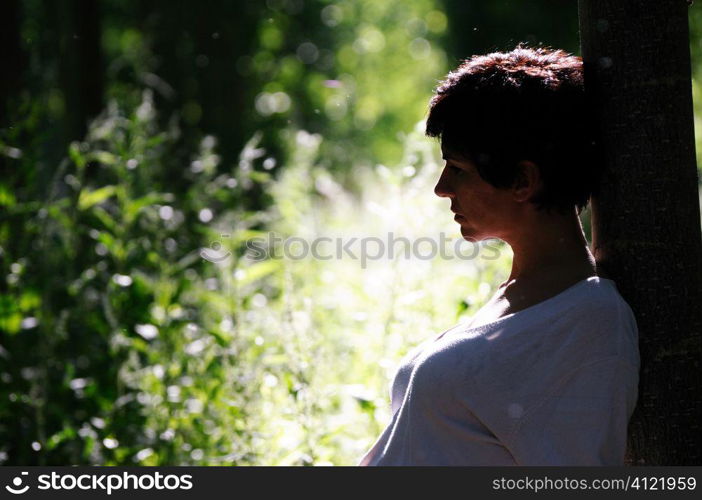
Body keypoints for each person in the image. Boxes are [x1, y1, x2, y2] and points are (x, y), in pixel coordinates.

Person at [359, 45, 640, 466]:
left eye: (459, 169)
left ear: (523, 180)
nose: (441, 188)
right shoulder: (524, 295)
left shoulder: (592, 320)